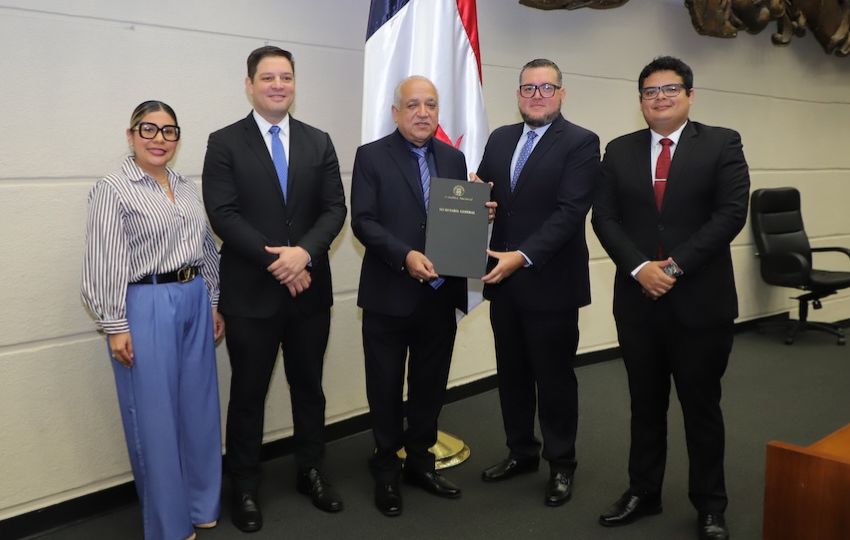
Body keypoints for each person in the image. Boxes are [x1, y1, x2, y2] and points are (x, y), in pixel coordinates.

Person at [591, 56, 749, 540]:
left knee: (702, 405)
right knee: (644, 403)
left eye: (669, 89)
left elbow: (729, 214)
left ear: (690, 95)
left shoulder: (722, 143)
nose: (659, 98)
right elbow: (605, 218)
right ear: (639, 101)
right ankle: (644, 491)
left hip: (700, 302)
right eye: (649, 92)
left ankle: (710, 504)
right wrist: (641, 268)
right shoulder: (618, 151)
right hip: (638, 302)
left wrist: (673, 267)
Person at [202, 46, 347, 532]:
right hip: (251, 296)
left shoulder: (318, 141)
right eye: (268, 77)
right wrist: (281, 262)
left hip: (311, 290)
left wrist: (303, 254)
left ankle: (311, 471)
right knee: (248, 393)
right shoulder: (223, 143)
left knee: (309, 388)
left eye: (286, 76)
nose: (278, 84)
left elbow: (334, 209)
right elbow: (224, 215)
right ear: (249, 84)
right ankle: (243, 485)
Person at [81, 100, 224, 540]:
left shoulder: (185, 186)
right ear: (130, 135)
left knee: (199, 409)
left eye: (168, 131)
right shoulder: (113, 188)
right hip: (145, 303)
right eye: (149, 129)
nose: (159, 139)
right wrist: (115, 324)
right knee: (155, 418)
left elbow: (206, 247)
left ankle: (202, 505)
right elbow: (102, 260)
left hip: (194, 298)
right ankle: (168, 523)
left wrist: (213, 299)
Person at [473, 59, 599, 507]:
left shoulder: (582, 143)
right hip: (503, 283)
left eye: (546, 87)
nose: (537, 95)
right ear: (518, 94)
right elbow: (488, 194)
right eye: (528, 88)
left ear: (562, 93)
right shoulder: (500, 138)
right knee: (512, 373)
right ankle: (520, 451)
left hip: (550, 281)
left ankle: (561, 463)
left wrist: (521, 257)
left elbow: (570, 212)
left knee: (554, 378)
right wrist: (480, 203)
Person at [350, 75, 469, 517]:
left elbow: (455, 218)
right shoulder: (371, 156)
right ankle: (386, 468)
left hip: (439, 295)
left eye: (431, 105)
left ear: (439, 113)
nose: (423, 113)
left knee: (429, 385)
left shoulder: (454, 158)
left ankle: (421, 462)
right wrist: (405, 256)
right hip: (389, 293)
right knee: (384, 387)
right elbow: (363, 221)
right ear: (396, 111)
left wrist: (479, 215)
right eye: (413, 104)